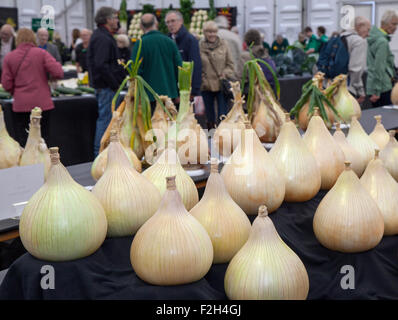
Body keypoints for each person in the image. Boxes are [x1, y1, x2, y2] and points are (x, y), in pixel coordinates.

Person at [1, 28, 63, 146]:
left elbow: (6, 84)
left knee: (24, 141)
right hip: (43, 104)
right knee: (43, 140)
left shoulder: (9, 57)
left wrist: (16, 92)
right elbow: (58, 72)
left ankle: (29, 164)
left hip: (21, 105)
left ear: (17, 39)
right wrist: (48, 77)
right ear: (33, 38)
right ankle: (44, 164)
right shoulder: (42, 53)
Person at [87, 7, 125, 157]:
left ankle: (102, 152)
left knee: (106, 120)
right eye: (115, 17)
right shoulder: (102, 38)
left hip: (105, 86)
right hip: (106, 87)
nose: (117, 21)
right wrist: (115, 84)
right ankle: (99, 153)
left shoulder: (102, 36)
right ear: (108, 19)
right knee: (105, 121)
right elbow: (101, 64)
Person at [131, 14, 182, 108]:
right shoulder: (169, 42)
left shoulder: (140, 44)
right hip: (169, 95)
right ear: (156, 23)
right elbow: (179, 69)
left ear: (141, 26)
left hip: (147, 97)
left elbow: (134, 71)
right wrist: (179, 93)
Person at [199, 21, 235, 129]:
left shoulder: (224, 44)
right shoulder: (199, 46)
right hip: (206, 85)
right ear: (204, 33)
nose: (212, 34)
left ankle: (223, 137)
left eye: (214, 31)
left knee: (222, 115)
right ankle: (210, 138)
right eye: (209, 32)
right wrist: (201, 77)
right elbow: (196, 65)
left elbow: (230, 64)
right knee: (209, 116)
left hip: (221, 85)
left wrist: (225, 73)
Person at [165, 11, 202, 101]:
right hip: (170, 89)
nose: (170, 24)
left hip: (185, 90)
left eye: (173, 21)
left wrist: (194, 90)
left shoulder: (190, 40)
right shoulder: (166, 40)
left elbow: (195, 65)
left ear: (181, 21)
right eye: (168, 22)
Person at [367, 10, 398, 108]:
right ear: (385, 23)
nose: (395, 27)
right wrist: (377, 91)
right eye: (394, 24)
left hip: (372, 85)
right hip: (382, 88)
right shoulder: (382, 42)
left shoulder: (372, 38)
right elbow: (379, 67)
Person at [340, 16, 371, 104]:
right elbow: (355, 69)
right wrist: (360, 91)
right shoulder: (359, 41)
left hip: (330, 86)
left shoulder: (339, 37)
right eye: (368, 30)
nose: (368, 34)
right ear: (359, 26)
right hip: (347, 89)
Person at [237, 29, 277, 94]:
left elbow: (241, 77)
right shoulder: (265, 53)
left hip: (253, 94)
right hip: (267, 91)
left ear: (246, 41)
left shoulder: (245, 55)